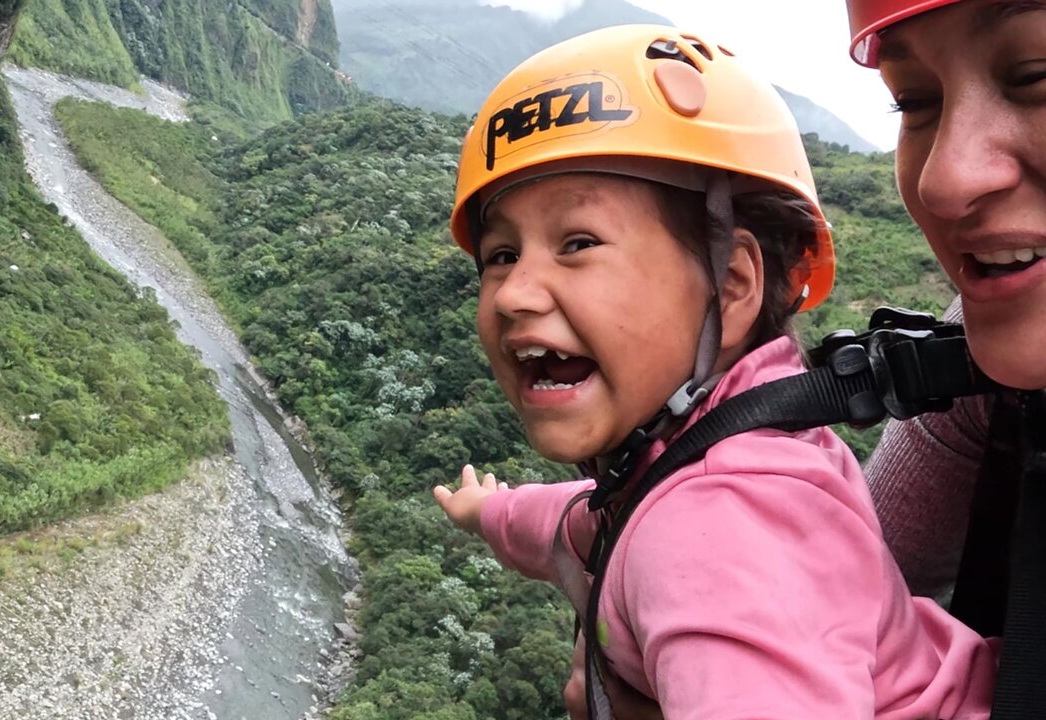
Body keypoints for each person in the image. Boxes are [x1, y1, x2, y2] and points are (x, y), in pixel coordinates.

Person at [433, 23, 997, 719]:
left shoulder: (720, 531)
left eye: (577, 243)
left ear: (731, 286)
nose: (515, 291)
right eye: (501, 255)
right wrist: (490, 511)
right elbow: (576, 521)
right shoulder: (698, 456)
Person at [562, 1, 1046, 717]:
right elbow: (826, 604)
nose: (943, 180)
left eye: (1035, 75)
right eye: (914, 101)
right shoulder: (987, 381)